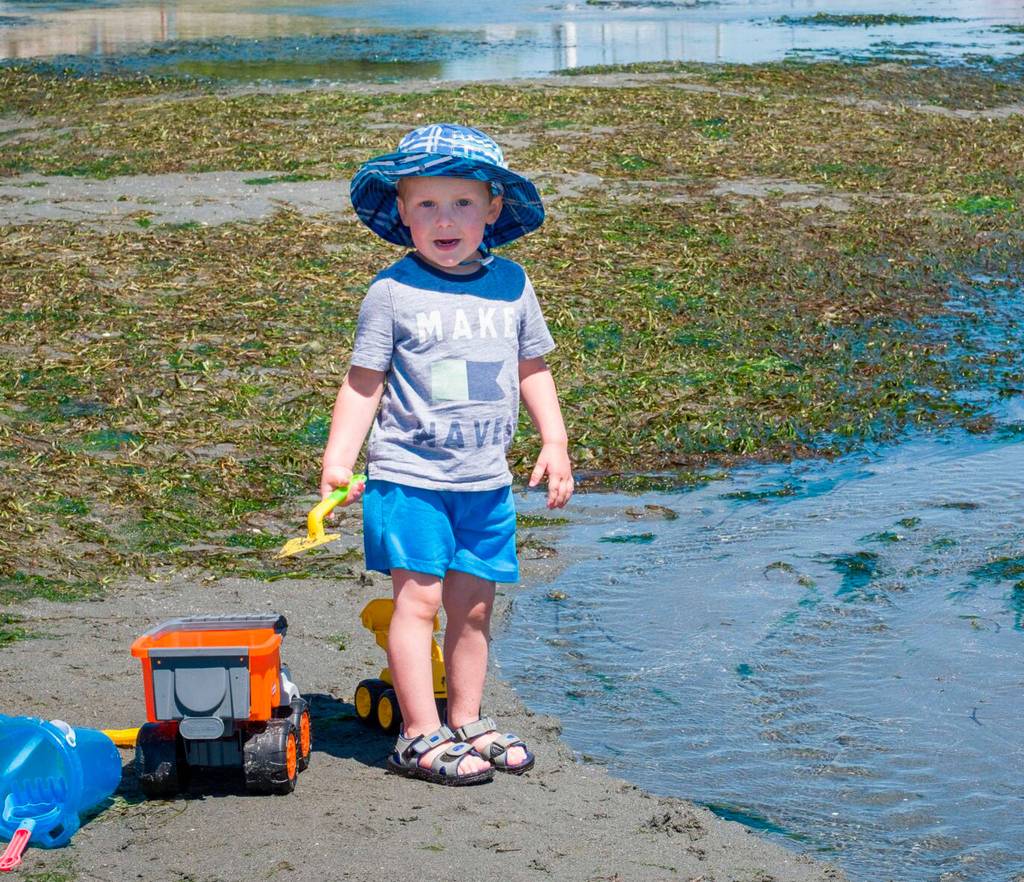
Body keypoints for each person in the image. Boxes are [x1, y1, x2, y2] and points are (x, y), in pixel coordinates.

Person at [320, 124, 573, 785]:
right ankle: (417, 733)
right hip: (409, 479)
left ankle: (466, 720)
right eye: (426, 204)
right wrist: (339, 462)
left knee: (476, 606)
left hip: (485, 482)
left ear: (493, 208)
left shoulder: (513, 286)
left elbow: (531, 367)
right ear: (401, 212)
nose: (445, 219)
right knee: (419, 603)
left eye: (462, 203)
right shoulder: (391, 293)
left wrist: (554, 439)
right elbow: (362, 383)